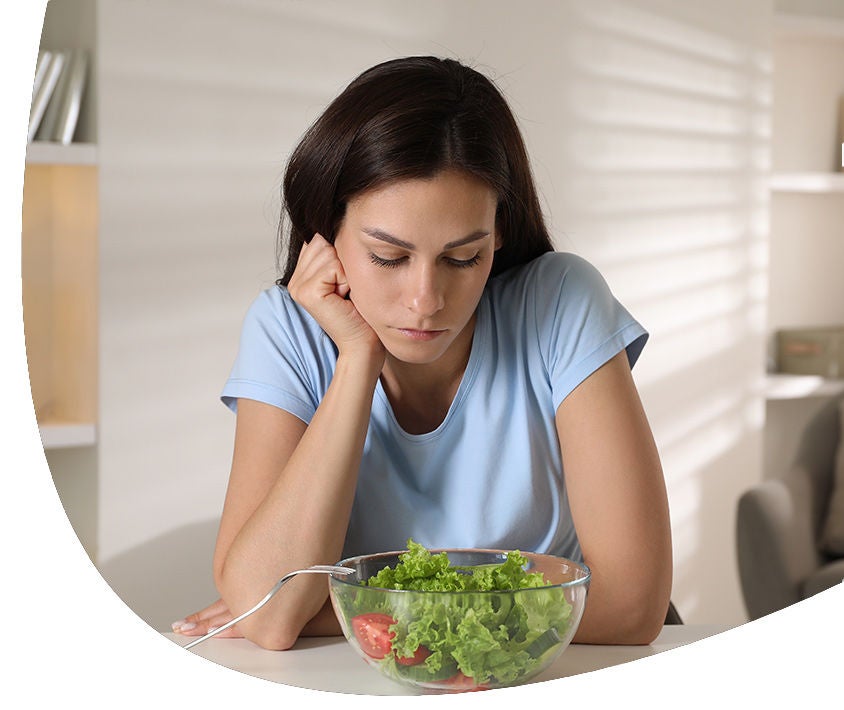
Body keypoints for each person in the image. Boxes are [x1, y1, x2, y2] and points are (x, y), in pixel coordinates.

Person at [172, 56, 672, 650]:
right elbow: (269, 614)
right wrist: (358, 359)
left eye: (464, 257)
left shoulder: (560, 302)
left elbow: (632, 605)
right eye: (388, 257)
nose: (426, 300)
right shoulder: (287, 329)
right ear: (326, 232)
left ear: (501, 230)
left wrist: (351, 611)